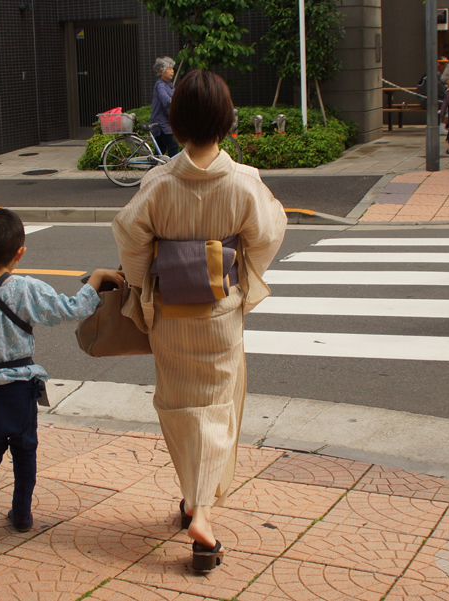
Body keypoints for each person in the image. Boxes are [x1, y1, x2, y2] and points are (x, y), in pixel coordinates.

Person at [112, 70, 287, 572]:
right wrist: (240, 275)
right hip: (219, 314)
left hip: (170, 316)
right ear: (227, 122)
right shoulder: (243, 181)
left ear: (179, 120)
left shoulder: (159, 182)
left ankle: (191, 500)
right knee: (218, 410)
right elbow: (268, 233)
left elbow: (130, 237)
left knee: (178, 407)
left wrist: (146, 290)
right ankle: (202, 514)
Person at [0, 208, 123, 550]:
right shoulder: (27, 289)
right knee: (25, 451)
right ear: (20, 252)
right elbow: (68, 310)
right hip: (19, 390)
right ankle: (22, 515)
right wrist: (97, 279)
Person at [150, 57, 180, 157]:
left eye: (172, 68)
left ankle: (153, 170)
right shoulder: (160, 85)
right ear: (161, 71)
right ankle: (172, 171)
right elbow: (166, 100)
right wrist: (173, 102)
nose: (172, 71)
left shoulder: (169, 85)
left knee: (159, 152)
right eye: (169, 69)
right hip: (161, 123)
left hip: (166, 122)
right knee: (173, 145)